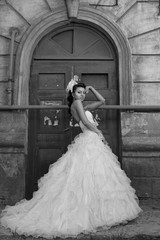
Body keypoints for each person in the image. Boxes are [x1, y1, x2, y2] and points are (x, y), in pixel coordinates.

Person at [0, 76, 142, 239]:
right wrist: (99, 132)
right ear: (73, 94)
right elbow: (84, 121)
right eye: (79, 92)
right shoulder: (77, 104)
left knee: (96, 176)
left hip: (91, 140)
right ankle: (86, 214)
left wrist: (92, 89)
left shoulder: (84, 104)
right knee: (85, 177)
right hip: (89, 139)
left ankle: (97, 212)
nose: (82, 95)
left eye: (83, 92)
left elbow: (102, 101)